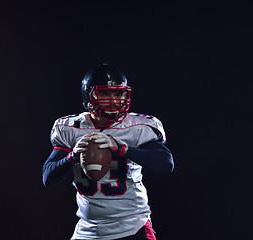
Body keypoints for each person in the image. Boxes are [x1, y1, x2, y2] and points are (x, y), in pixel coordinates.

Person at [42, 63, 174, 240]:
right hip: (89, 231)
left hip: (132, 227)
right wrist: (71, 157)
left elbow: (166, 163)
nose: (113, 100)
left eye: (118, 94)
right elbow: (48, 178)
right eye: (105, 93)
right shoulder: (70, 128)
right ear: (89, 95)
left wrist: (120, 149)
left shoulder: (139, 126)